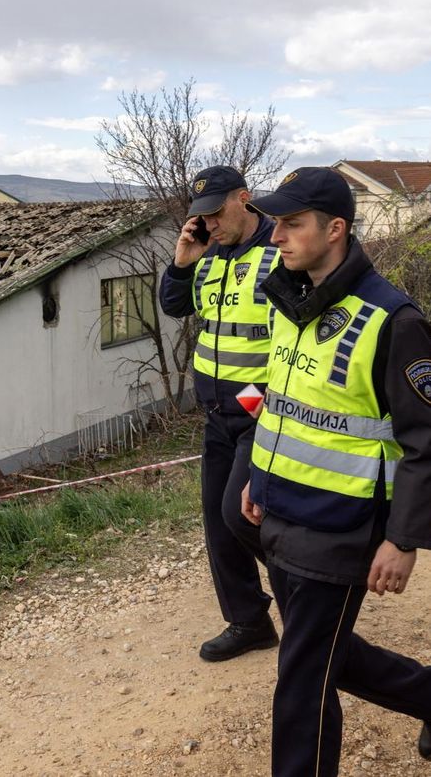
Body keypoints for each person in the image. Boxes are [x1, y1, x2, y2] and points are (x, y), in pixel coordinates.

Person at [241, 166, 431, 776]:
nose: (276, 237)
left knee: (301, 685)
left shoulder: (394, 321)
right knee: (322, 655)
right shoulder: (287, 303)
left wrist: (403, 540)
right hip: (280, 514)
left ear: (336, 230)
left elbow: (424, 443)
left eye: (292, 225)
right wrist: (258, 477)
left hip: (343, 531)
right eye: (275, 223)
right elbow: (287, 409)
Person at [159, 165, 279, 661]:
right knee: (217, 520)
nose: (209, 222)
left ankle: (309, 584)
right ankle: (249, 620)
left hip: (263, 412)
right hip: (216, 413)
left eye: (215, 211)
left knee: (239, 513)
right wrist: (183, 261)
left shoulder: (280, 250)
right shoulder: (208, 255)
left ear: (243, 199)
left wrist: (264, 400)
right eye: (200, 215)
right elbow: (173, 306)